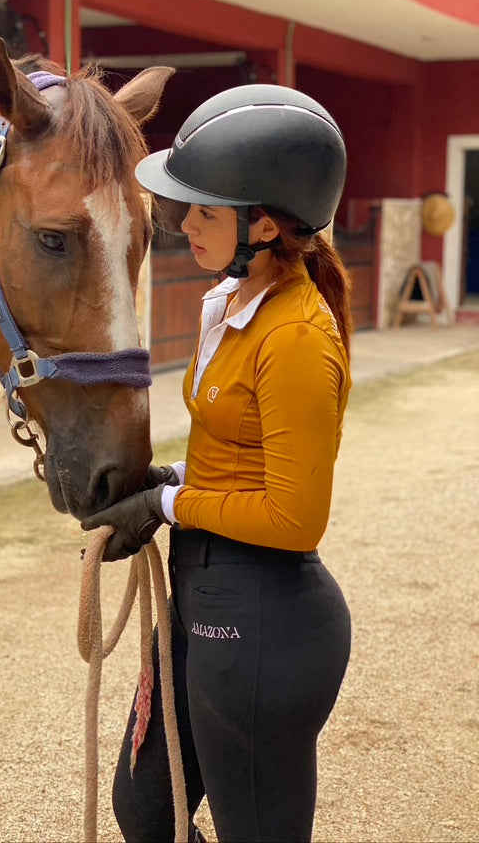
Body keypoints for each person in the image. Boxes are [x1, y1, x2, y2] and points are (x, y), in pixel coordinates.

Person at [81, 83, 353, 843]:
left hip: (265, 621)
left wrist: (170, 505)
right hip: (203, 596)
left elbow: (296, 518)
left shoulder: (297, 337)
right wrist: (172, 482)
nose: (182, 223)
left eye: (203, 209)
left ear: (263, 223)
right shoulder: (229, 303)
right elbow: (235, 457)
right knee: (146, 808)